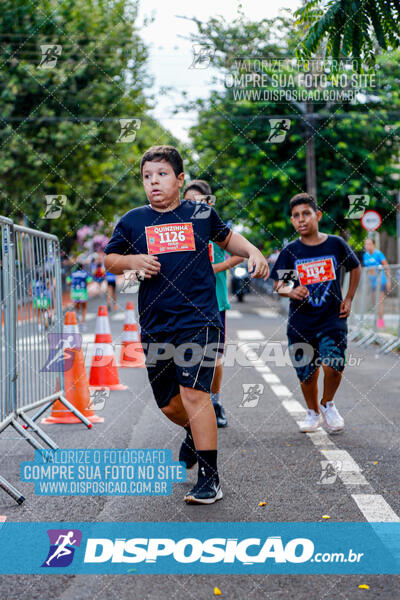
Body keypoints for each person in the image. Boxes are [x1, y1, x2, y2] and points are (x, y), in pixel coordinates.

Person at [104, 145, 269, 504]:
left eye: (161, 174)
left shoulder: (201, 213)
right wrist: (132, 259)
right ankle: (195, 433)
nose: (153, 182)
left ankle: (210, 479)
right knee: (169, 404)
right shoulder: (133, 220)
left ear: (180, 179)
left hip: (199, 318)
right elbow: (110, 260)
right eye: (147, 177)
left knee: (195, 393)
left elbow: (228, 238)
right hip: (155, 323)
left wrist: (253, 250)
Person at [271, 193, 361, 433]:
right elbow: (280, 286)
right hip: (301, 322)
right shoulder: (291, 251)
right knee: (307, 373)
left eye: (306, 214)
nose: (301, 220)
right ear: (292, 220)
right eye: (296, 216)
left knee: (334, 365)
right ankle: (312, 412)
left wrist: (349, 298)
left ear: (317, 215)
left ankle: (327, 403)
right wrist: (292, 291)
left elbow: (355, 267)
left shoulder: (335, 244)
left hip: (333, 318)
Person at [183, 179, 242, 428]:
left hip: (214, 303)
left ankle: (215, 403)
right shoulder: (179, 232)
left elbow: (242, 252)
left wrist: (217, 267)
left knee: (214, 358)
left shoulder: (216, 230)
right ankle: (193, 406)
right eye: (187, 201)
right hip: (185, 305)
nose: (191, 206)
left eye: (197, 201)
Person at [363, 238, 391, 328]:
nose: (367, 246)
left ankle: (380, 321)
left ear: (373, 244)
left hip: (380, 281)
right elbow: (367, 270)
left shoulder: (378, 254)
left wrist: (388, 281)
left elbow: (386, 266)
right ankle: (376, 320)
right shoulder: (365, 255)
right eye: (366, 244)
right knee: (374, 301)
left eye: (369, 244)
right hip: (371, 282)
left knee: (379, 301)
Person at [66, 263, 93, 330]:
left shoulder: (72, 274)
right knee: (84, 308)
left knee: (76, 308)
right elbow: (90, 281)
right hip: (82, 292)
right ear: (82, 267)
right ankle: (83, 324)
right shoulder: (84, 273)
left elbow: (68, 282)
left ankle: (76, 321)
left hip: (74, 293)